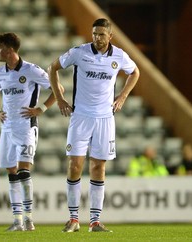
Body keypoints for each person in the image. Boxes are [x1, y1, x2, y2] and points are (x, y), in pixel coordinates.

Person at [48, 18, 140, 232]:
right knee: (75, 165)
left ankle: (95, 222)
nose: (97, 38)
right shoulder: (79, 52)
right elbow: (52, 68)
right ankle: (73, 219)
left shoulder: (119, 56)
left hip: (105, 119)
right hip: (80, 116)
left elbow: (135, 72)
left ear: (110, 36)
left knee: (99, 167)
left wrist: (123, 95)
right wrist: (59, 99)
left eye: (101, 34)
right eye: (95, 34)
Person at [0, 32, 60, 231]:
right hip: (7, 127)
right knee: (11, 172)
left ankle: (29, 219)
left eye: (0, 47)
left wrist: (41, 109)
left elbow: (58, 89)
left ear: (10, 49)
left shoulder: (31, 70)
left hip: (26, 127)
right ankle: (17, 221)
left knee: (23, 171)